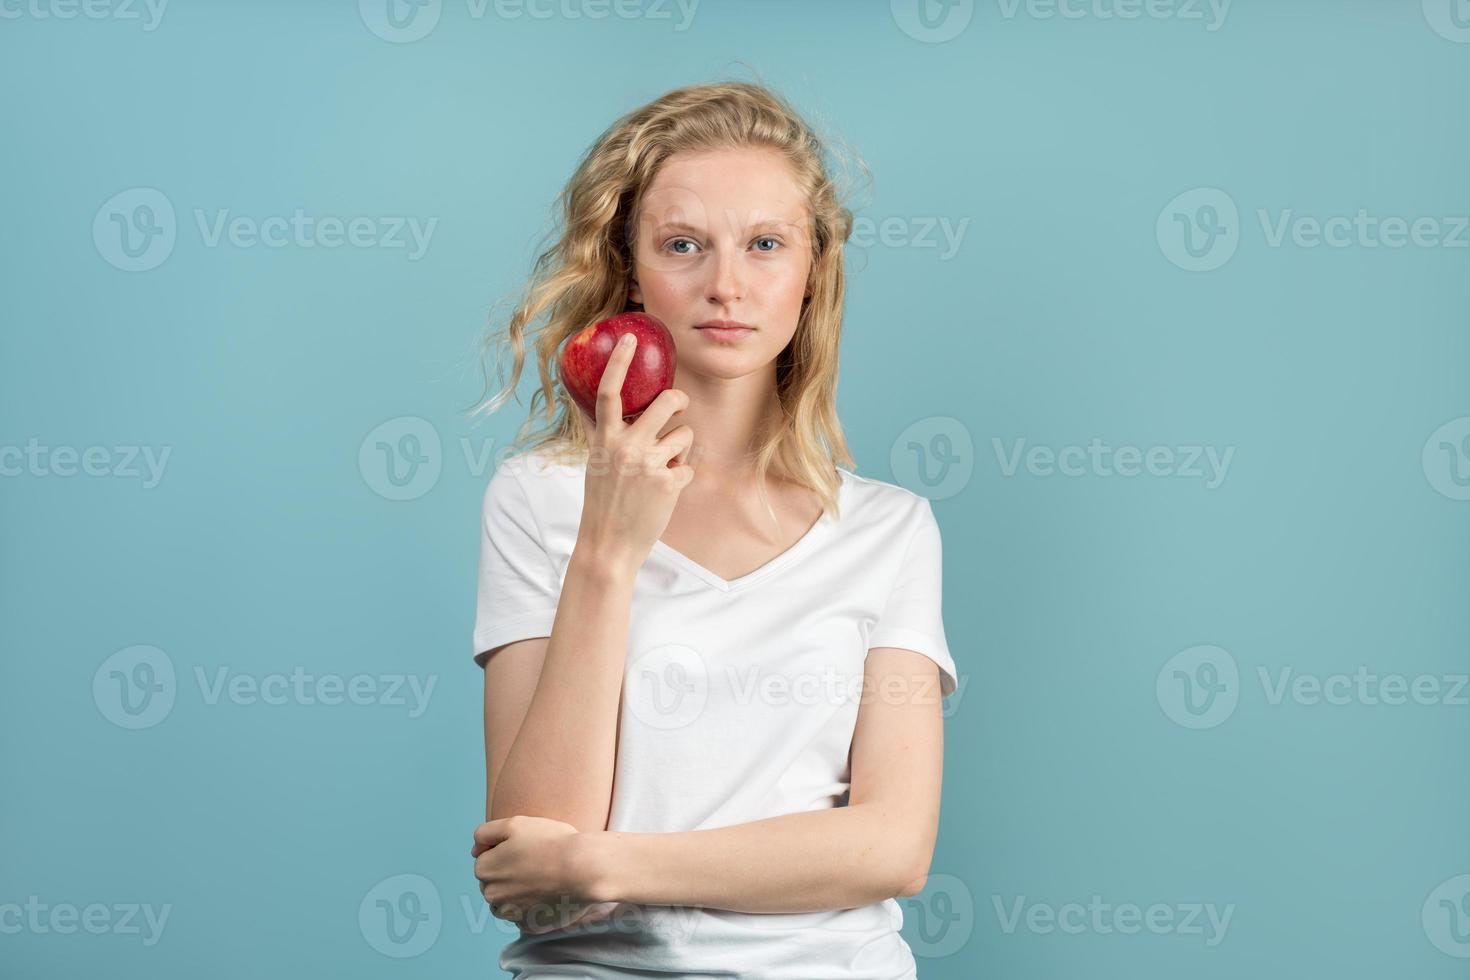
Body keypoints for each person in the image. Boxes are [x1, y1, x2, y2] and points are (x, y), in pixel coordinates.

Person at [467, 79, 957, 979]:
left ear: (813, 275)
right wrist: (608, 552)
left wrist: (603, 863)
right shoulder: (537, 502)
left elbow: (892, 848)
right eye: (683, 244)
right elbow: (531, 884)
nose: (726, 285)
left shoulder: (890, 531)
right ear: (630, 271)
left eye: (766, 244)